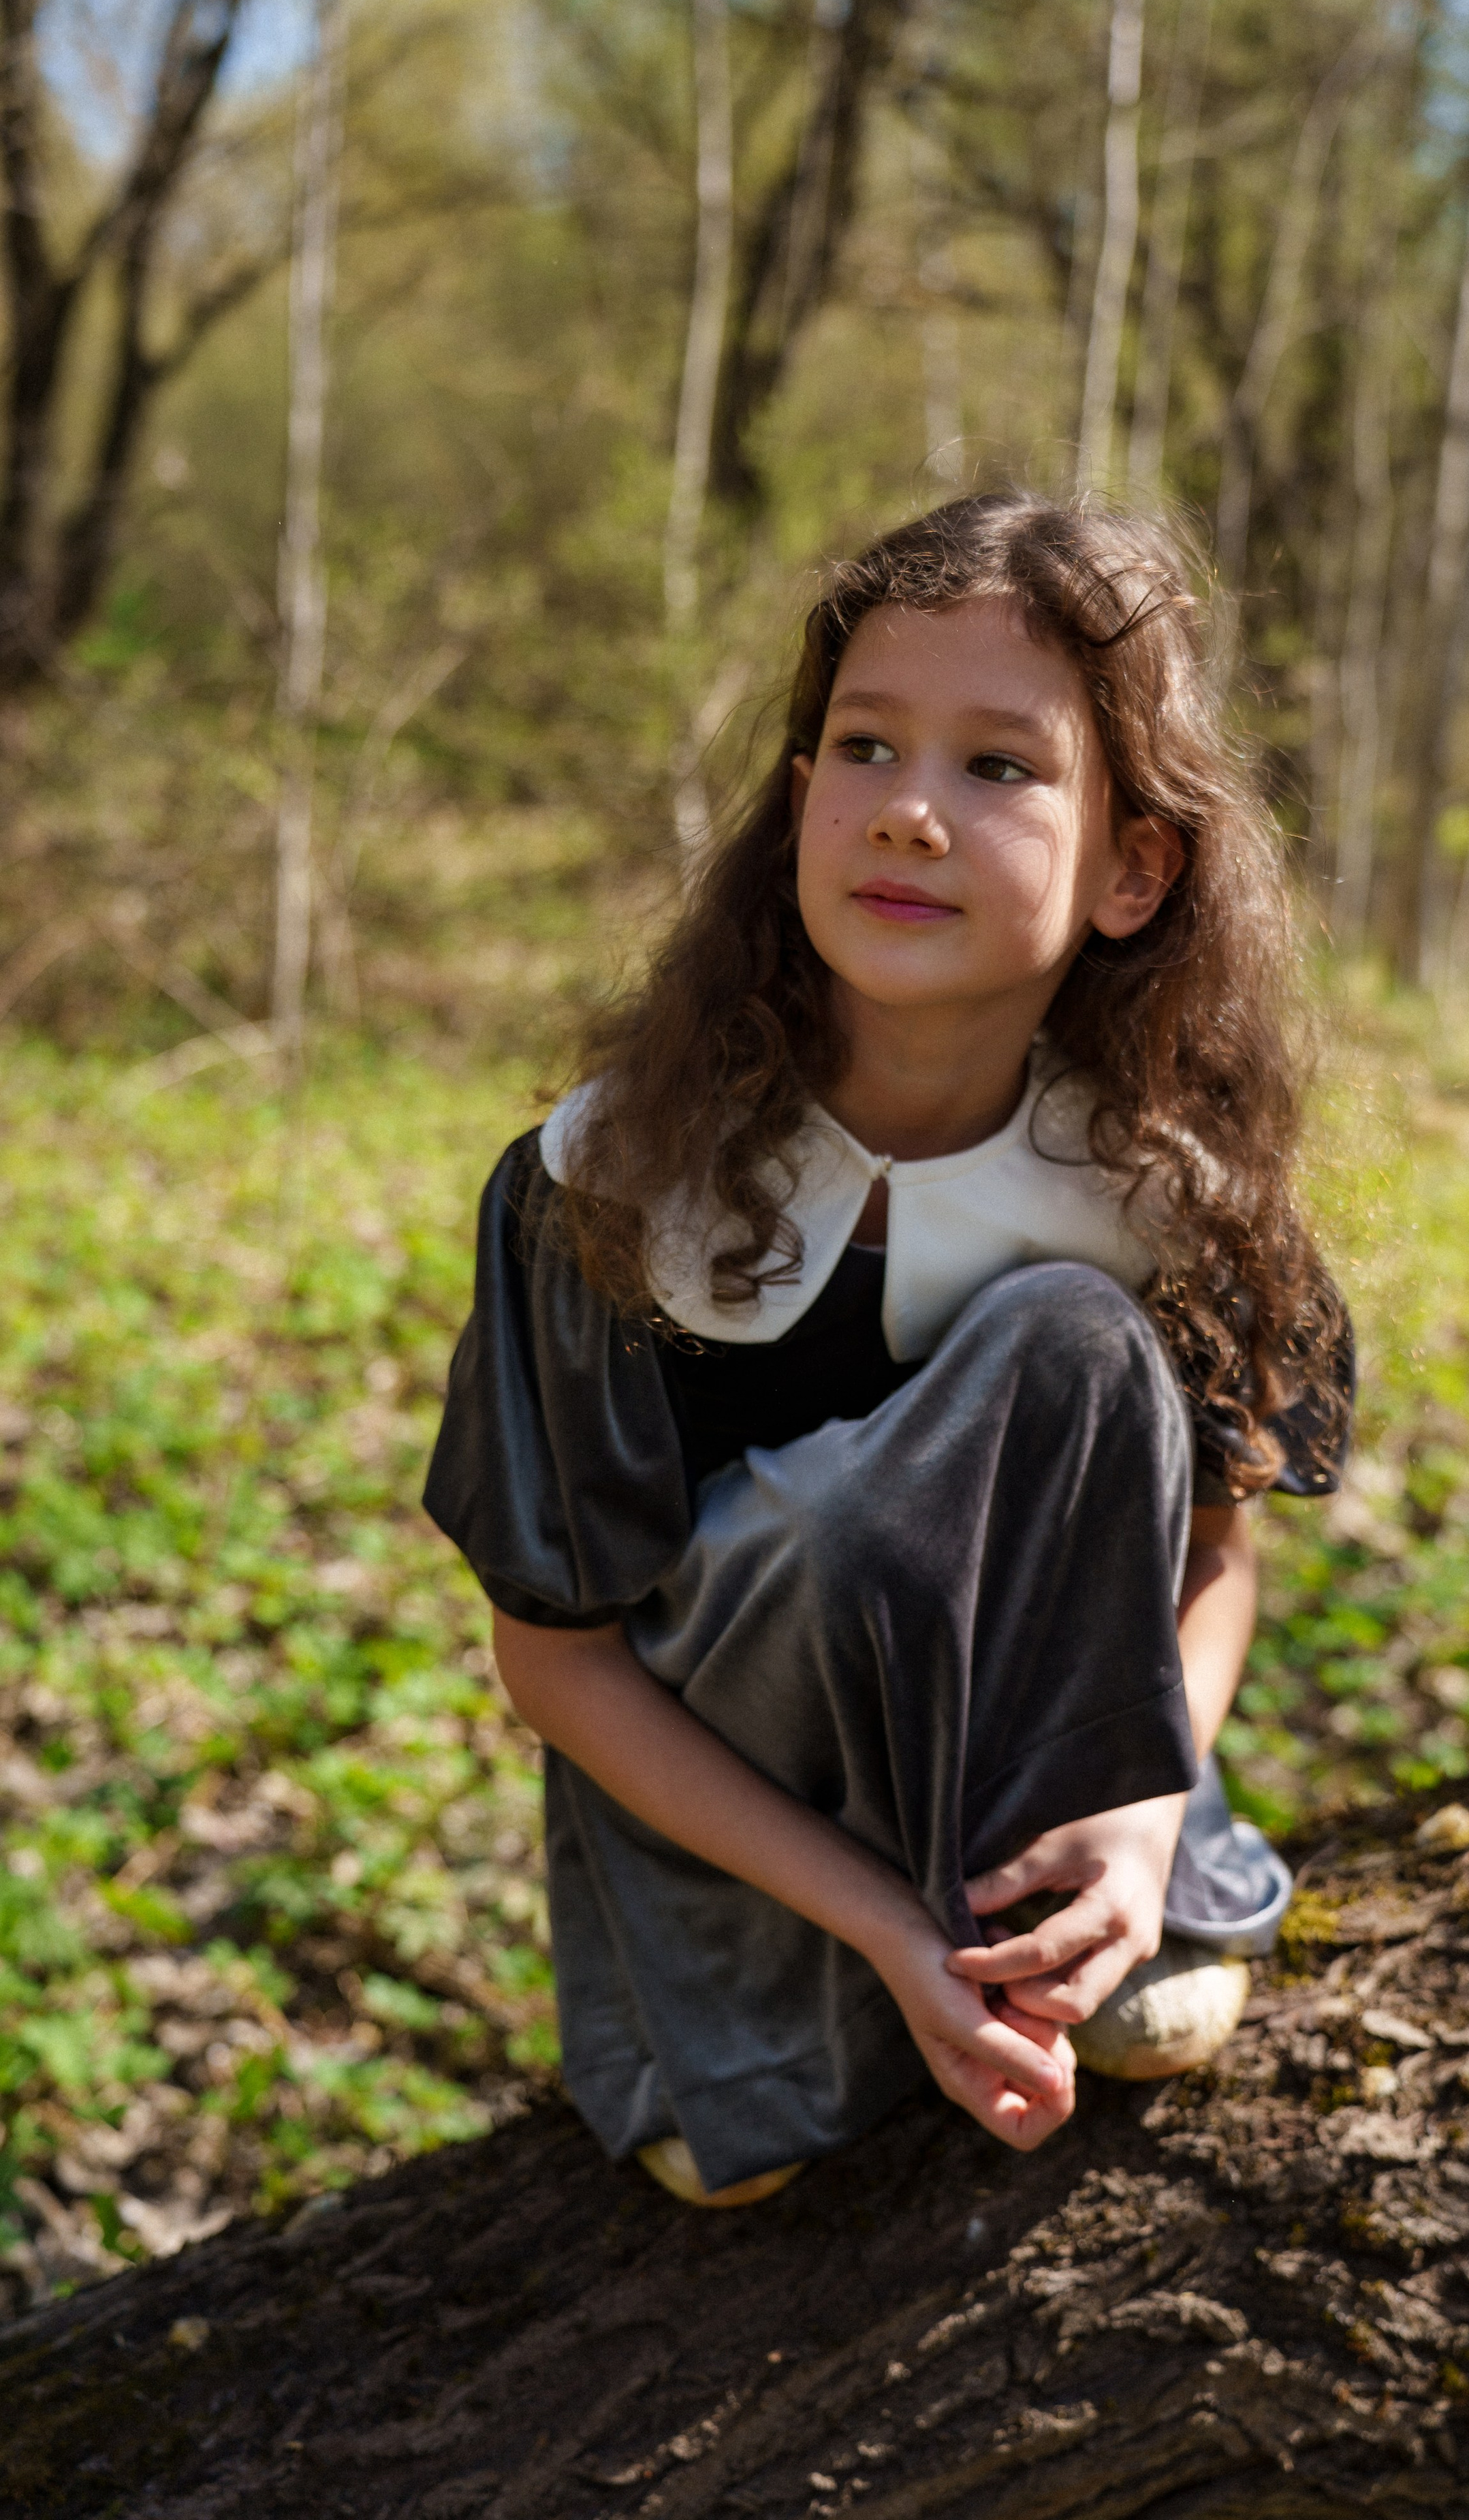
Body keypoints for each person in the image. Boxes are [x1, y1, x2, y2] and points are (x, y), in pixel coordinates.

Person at [425, 492, 1353, 2208]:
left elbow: (1210, 1554)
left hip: (1058, 1793)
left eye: (1000, 768)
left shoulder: (1168, 1195)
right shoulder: (610, 1184)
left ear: (1134, 866)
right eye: (863, 746)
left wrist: (1138, 1832)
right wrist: (879, 1927)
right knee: (825, 1530)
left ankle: (1079, 1918)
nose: (909, 814)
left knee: (1067, 1344)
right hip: (737, 1830)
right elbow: (559, 1665)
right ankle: (798, 2007)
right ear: (799, 807)